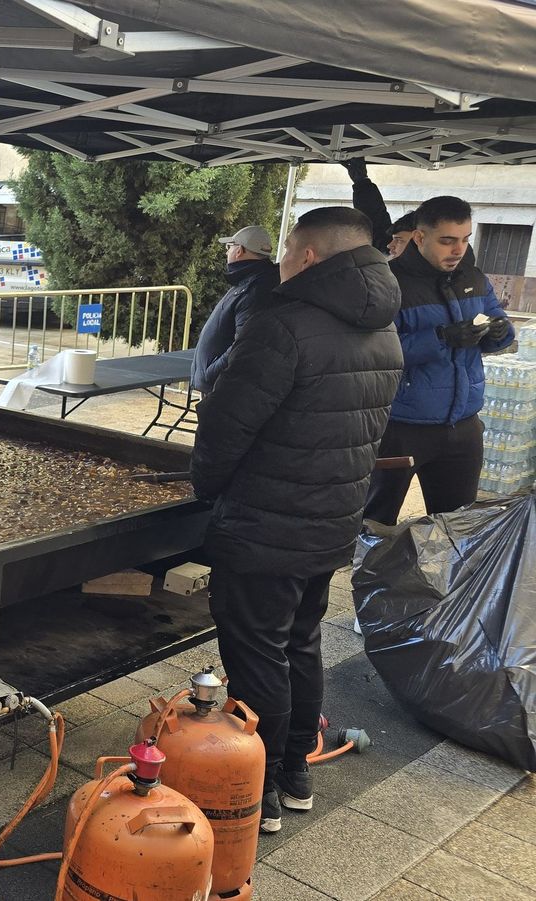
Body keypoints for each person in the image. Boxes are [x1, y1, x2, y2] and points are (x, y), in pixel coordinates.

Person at [190, 206, 403, 834]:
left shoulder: (281, 324)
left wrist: (208, 489)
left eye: (286, 249)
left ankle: (255, 791)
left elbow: (226, 424)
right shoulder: (384, 328)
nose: (280, 260)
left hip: (266, 523)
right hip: (333, 517)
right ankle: (294, 772)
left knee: (255, 651)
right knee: (300, 642)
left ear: (308, 255)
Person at [364, 195, 514, 525]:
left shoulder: (474, 279)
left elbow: (501, 327)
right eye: (447, 241)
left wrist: (499, 332)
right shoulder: (389, 283)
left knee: (457, 527)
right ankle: (369, 575)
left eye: (464, 240)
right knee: (374, 520)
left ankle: (444, 579)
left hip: (464, 425)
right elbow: (375, 353)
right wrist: (441, 339)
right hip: (400, 427)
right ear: (420, 237)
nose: (457, 250)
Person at [190, 225, 280, 394]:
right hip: (222, 383)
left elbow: (243, 344)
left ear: (239, 250)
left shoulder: (254, 288)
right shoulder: (253, 280)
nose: (227, 252)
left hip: (223, 387)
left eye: (229, 247)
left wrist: (211, 373)